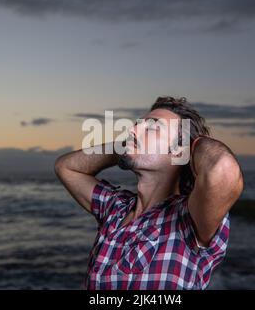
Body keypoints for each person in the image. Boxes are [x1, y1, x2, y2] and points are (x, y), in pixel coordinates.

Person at [54, 96, 243, 289]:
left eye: (152, 128)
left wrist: (192, 144)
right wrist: (126, 147)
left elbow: (223, 169)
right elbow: (66, 167)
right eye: (137, 125)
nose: (132, 129)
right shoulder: (115, 208)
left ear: (179, 151)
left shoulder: (189, 218)